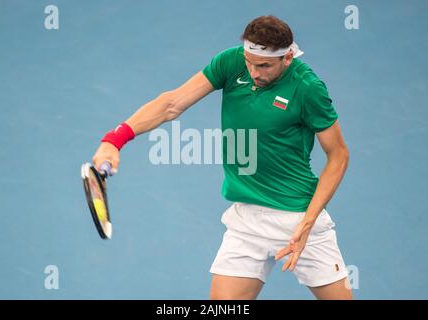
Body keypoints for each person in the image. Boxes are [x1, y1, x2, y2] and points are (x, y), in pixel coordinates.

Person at [92, 15, 353, 300]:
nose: (253, 72)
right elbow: (171, 105)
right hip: (246, 219)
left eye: (264, 65)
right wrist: (114, 140)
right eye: (249, 61)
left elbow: (338, 155)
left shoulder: (308, 88)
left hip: (298, 216)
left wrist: (307, 223)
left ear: (288, 57)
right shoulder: (231, 63)